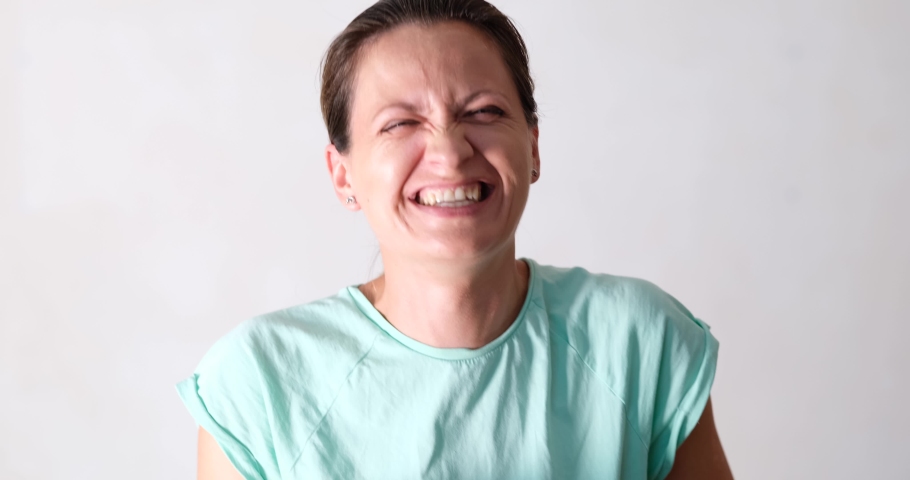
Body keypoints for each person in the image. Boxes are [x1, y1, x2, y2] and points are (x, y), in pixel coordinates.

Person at [176, 0, 733, 478]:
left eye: (484, 111)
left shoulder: (641, 344)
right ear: (343, 174)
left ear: (533, 147)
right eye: (400, 123)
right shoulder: (257, 385)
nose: (449, 151)